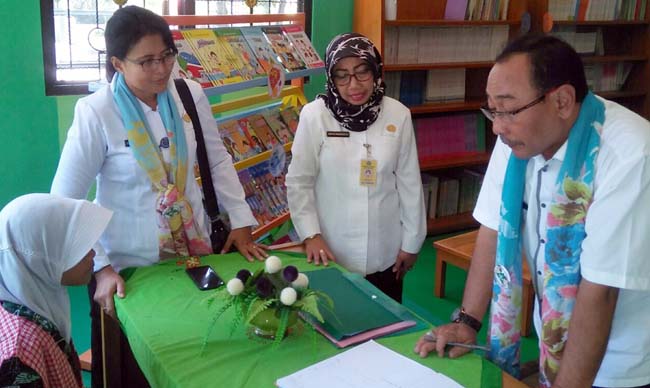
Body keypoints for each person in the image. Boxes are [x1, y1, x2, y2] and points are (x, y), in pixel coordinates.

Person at [414, 34, 650, 388]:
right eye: (491, 109)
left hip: (619, 358)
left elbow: (600, 292)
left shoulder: (630, 155)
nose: (496, 126)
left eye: (507, 109)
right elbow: (492, 230)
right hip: (553, 334)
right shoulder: (518, 135)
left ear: (563, 101)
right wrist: (467, 321)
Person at [50, 6, 266, 386]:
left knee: (193, 361)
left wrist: (242, 221)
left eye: (167, 55)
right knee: (130, 373)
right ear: (117, 63)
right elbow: (65, 200)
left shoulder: (189, 94)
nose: (161, 70)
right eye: (146, 61)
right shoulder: (96, 111)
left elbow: (216, 160)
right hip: (128, 272)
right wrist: (100, 267)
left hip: (192, 258)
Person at [286, 33, 426, 303]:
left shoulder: (398, 114)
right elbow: (299, 181)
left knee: (385, 328)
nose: (354, 85)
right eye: (342, 75)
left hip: (386, 251)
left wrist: (412, 242)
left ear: (376, 71)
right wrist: (311, 235)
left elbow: (409, 183)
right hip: (330, 250)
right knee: (335, 329)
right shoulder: (315, 116)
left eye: (362, 73)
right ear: (331, 77)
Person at [0, 194, 112, 388]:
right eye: (77, 246)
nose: (92, 253)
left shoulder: (37, 308)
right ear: (39, 258)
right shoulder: (20, 358)